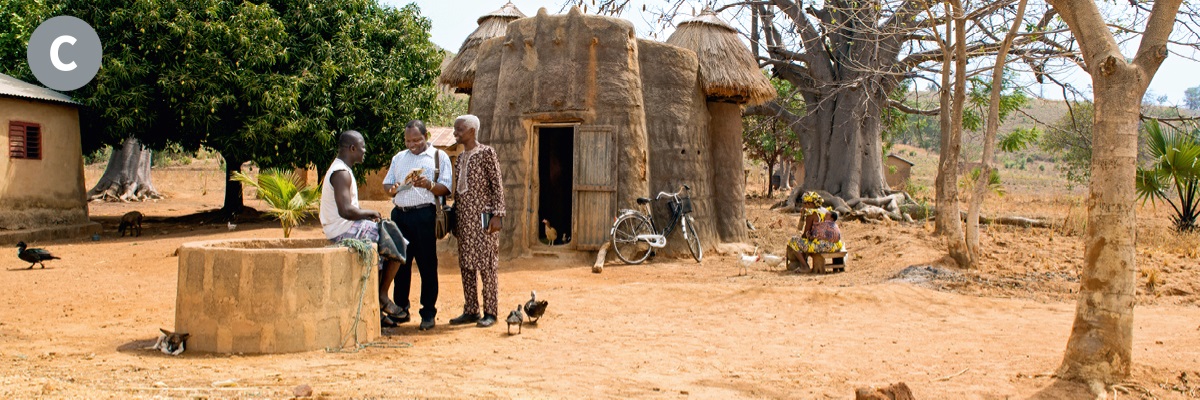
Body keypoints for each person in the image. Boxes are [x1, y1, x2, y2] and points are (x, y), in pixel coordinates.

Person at [320, 130, 406, 327]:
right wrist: (370, 213)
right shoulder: (341, 173)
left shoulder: (343, 169)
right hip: (343, 229)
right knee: (396, 243)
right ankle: (382, 297)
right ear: (352, 148)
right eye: (362, 147)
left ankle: (377, 302)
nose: (364, 151)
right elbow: (345, 210)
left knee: (392, 241)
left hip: (347, 225)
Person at [382, 120, 452, 331]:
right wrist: (392, 188)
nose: (412, 144)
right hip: (400, 216)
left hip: (425, 215)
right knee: (399, 264)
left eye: (416, 140)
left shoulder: (439, 157)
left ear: (426, 136)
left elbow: (447, 188)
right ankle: (401, 309)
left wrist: (429, 185)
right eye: (408, 140)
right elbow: (387, 184)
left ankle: (428, 313)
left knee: (427, 265)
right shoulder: (399, 158)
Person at [447, 115, 506, 328]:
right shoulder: (461, 158)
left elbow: (497, 185)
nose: (456, 133)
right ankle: (471, 309)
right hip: (464, 218)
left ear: (472, 131)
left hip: (484, 218)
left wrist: (498, 214)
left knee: (487, 264)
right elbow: (459, 192)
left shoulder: (486, 153)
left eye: (459, 129)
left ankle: (491, 311)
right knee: (466, 264)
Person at [786, 191, 844, 272]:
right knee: (805, 242)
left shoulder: (812, 214)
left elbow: (805, 233)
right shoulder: (826, 211)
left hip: (821, 245)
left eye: (805, 203)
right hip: (835, 245)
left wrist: (803, 220)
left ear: (810, 204)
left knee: (793, 242)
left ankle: (804, 266)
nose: (804, 206)